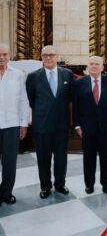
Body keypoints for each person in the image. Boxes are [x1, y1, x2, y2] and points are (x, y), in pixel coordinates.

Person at [26, 45, 74, 199]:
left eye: (51, 55)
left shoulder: (68, 74)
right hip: (42, 125)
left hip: (62, 124)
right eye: (45, 55)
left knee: (61, 156)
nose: (48, 58)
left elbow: (71, 98)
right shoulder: (33, 77)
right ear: (41, 57)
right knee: (43, 158)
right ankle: (45, 186)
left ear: (57, 56)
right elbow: (31, 100)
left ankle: (60, 184)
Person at [73, 56, 107, 194]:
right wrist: (77, 125)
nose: (94, 66)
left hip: (106, 127)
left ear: (102, 67)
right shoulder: (79, 83)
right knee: (88, 158)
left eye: (97, 64)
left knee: (106, 157)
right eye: (91, 64)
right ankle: (89, 184)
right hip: (87, 128)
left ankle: (106, 183)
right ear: (87, 67)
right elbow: (75, 106)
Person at [0, 43, 29, 205]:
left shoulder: (18, 75)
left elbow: (24, 101)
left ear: (9, 56)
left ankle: (6, 192)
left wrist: (24, 124)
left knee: (10, 161)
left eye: (4, 54)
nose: (1, 58)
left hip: (11, 124)